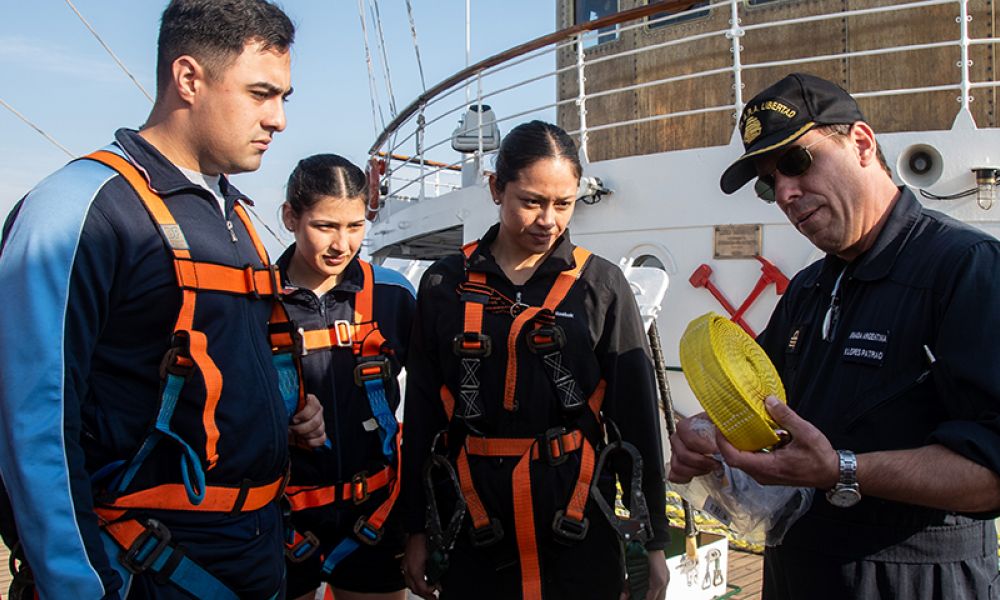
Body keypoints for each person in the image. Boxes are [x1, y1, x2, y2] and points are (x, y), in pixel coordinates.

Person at [0, 1, 328, 598]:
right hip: (148, 565)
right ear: (188, 78)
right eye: (260, 93)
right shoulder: (80, 209)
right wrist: (81, 585)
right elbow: (31, 424)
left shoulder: (235, 217)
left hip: (254, 553)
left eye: (284, 97)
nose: (278, 119)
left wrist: (284, 415)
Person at [669, 72, 1000, 599]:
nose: (785, 192)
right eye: (768, 181)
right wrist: (709, 439)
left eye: (797, 162)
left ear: (862, 143)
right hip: (796, 571)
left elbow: (991, 473)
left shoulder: (963, 267)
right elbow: (769, 417)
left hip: (913, 580)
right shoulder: (808, 288)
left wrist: (843, 470)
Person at [401, 120, 670, 600]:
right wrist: (416, 529)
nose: (549, 220)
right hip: (474, 520)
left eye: (563, 204)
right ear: (495, 189)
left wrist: (653, 541)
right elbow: (421, 414)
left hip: (578, 515)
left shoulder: (601, 287)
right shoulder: (444, 285)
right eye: (531, 201)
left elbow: (637, 421)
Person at [276, 154, 415, 600]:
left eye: (355, 227)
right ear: (289, 217)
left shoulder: (394, 294)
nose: (343, 244)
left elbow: (436, 397)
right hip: (281, 520)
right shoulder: (254, 301)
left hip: (372, 514)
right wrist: (280, 416)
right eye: (325, 226)